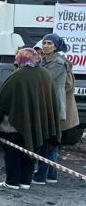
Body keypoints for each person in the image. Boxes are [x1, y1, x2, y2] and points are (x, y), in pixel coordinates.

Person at [0, 48, 61, 190]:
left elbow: (3, 100)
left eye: (17, 57)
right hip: (37, 125)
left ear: (21, 59)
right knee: (31, 152)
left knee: (12, 153)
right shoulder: (46, 74)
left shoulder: (17, 76)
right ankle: (25, 182)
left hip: (14, 125)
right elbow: (52, 101)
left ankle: (12, 182)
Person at [35, 34, 77, 183]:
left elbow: (46, 81)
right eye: (44, 43)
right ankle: (51, 175)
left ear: (56, 47)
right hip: (48, 104)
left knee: (48, 141)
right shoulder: (46, 60)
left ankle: (41, 175)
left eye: (49, 44)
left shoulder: (58, 63)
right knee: (52, 140)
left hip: (52, 106)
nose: (45, 45)